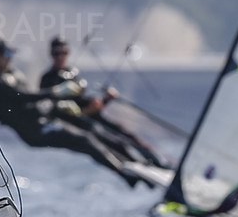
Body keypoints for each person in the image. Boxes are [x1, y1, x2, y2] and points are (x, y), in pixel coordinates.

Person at [0, 39, 145, 187]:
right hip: (34, 132)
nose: (10, 58)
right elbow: (22, 98)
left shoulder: (11, 74)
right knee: (85, 140)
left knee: (91, 136)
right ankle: (126, 174)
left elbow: (33, 101)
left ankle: (133, 166)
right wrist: (55, 93)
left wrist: (57, 105)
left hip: (45, 121)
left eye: (11, 53)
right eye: (7, 53)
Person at [39, 37, 168, 169]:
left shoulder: (72, 73)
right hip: (79, 124)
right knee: (116, 142)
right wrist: (87, 110)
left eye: (64, 52)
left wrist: (105, 99)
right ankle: (138, 165)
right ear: (51, 54)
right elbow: (55, 111)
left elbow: (84, 102)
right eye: (57, 53)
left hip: (94, 117)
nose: (60, 56)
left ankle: (160, 164)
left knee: (128, 136)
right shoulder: (48, 79)